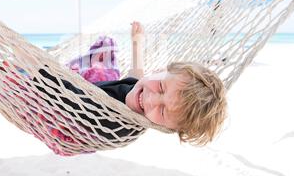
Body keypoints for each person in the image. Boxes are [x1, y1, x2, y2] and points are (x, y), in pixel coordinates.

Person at [90, 21, 228, 146]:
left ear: (167, 128)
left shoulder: (116, 126)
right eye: (161, 87)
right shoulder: (139, 90)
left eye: (162, 111)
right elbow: (135, 76)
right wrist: (137, 43)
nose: (150, 99)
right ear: (161, 70)